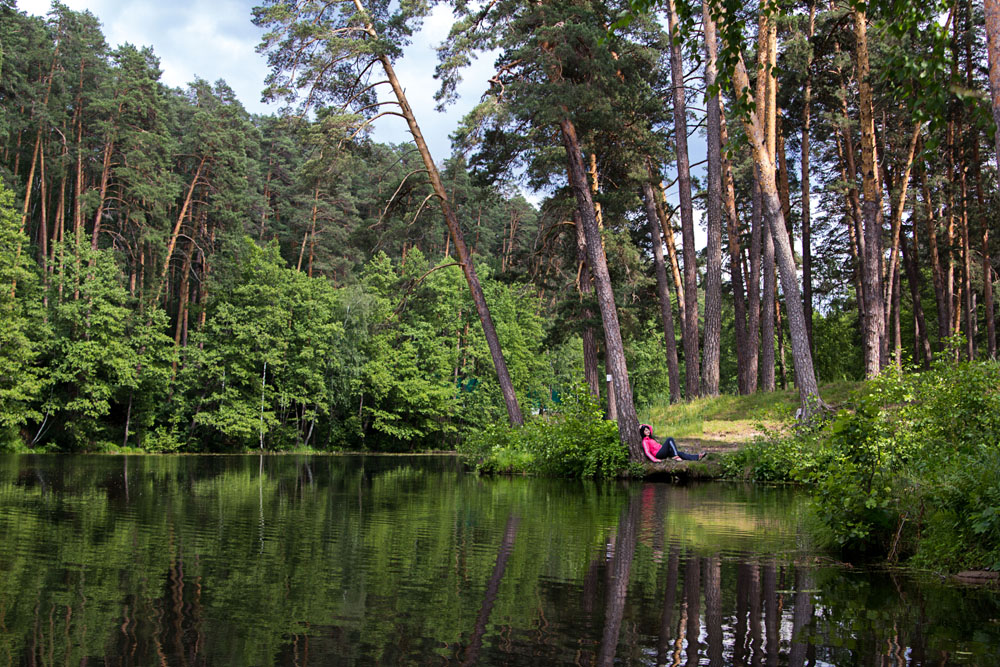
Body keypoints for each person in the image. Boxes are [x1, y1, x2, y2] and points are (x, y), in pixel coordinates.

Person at [640, 424, 706, 462]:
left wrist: (642, 425)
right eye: (646, 430)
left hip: (663, 451)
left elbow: (650, 427)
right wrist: (654, 460)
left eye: (648, 430)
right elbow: (647, 452)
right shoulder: (645, 441)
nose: (648, 431)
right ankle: (675, 456)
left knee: (680, 453)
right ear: (643, 432)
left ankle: (697, 457)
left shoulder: (651, 438)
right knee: (669, 439)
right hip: (658, 454)